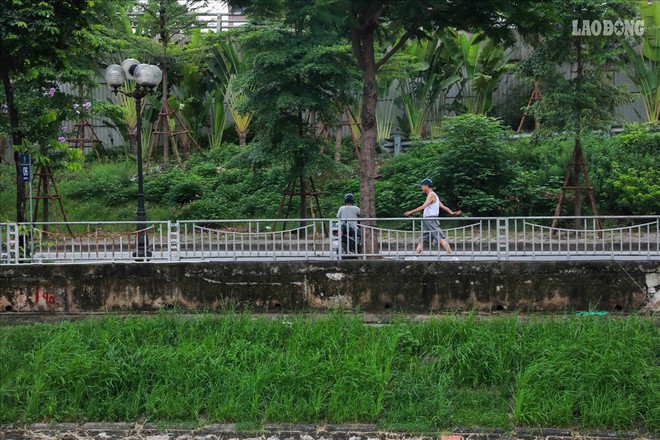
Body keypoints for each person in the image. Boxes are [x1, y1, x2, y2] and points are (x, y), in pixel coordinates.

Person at [404, 178, 461, 255]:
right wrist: (451, 212)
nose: (421, 187)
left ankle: (452, 255)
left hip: (431, 219)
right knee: (422, 239)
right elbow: (442, 206)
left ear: (426, 186)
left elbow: (423, 206)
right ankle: (415, 256)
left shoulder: (432, 195)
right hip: (427, 220)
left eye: (422, 185)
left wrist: (411, 211)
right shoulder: (434, 195)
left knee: (440, 238)